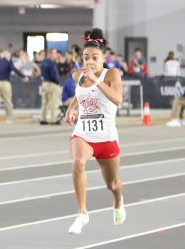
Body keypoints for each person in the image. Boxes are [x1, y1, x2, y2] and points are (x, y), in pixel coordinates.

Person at [63, 29, 124, 235]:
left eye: (95, 58)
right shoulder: (78, 75)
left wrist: (96, 80)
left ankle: (118, 201)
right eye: (86, 57)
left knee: (113, 184)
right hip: (84, 134)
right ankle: (82, 213)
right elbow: (81, 93)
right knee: (78, 163)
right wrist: (71, 108)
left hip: (106, 138)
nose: (90, 62)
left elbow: (118, 99)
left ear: (103, 58)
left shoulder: (111, 74)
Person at [0, 50, 18, 122]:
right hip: (5, 83)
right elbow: (14, 69)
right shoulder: (9, 62)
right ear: (8, 56)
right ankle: (9, 118)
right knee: (7, 101)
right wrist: (23, 76)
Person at [38, 49, 60, 124]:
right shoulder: (51, 63)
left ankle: (43, 118)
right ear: (50, 54)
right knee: (54, 102)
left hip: (44, 83)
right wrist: (57, 81)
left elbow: (41, 73)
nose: (56, 55)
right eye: (54, 53)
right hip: (52, 84)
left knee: (44, 102)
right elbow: (54, 75)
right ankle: (53, 119)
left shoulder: (43, 62)